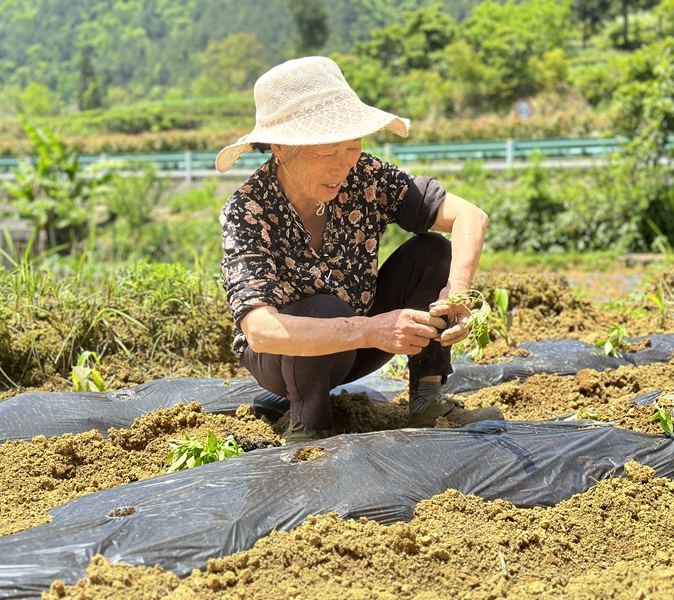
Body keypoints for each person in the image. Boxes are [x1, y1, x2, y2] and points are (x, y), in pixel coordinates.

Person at [216, 56, 504, 442]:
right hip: (285, 359)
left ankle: (428, 398)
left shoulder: (364, 176)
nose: (343, 166)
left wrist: (458, 291)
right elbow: (261, 331)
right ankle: (307, 427)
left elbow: (470, 216)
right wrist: (371, 329)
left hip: (361, 341)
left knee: (434, 252)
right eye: (327, 153)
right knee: (323, 308)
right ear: (282, 149)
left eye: (351, 147)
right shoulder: (249, 210)